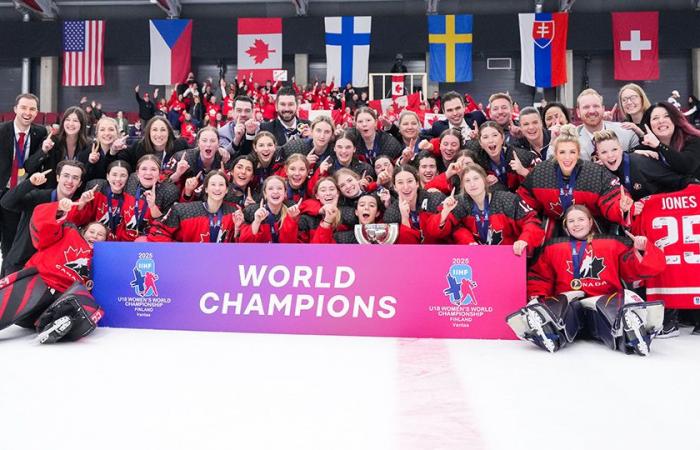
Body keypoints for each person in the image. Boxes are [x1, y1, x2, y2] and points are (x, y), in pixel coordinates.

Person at [506, 204, 666, 356]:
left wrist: (642, 249)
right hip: (569, 302)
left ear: (590, 222)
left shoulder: (613, 243)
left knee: (612, 312)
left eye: (581, 219)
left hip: (603, 301)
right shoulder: (553, 246)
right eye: (571, 221)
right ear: (565, 225)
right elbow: (541, 276)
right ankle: (547, 329)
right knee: (558, 306)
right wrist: (537, 296)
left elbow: (640, 269)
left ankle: (630, 333)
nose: (576, 224)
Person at [0, 199, 107, 344]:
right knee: (18, 290)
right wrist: (58, 209)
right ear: (83, 231)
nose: (95, 235)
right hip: (36, 287)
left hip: (57, 303)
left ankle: (53, 327)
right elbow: (42, 225)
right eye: (92, 231)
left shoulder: (102, 257)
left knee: (90, 305)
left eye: (100, 234)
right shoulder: (67, 233)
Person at [517, 124, 630, 237]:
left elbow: (612, 200)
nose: (567, 157)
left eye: (572, 152)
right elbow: (524, 203)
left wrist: (620, 207)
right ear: (555, 154)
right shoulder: (541, 172)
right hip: (554, 229)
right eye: (562, 152)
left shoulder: (595, 172)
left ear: (578, 153)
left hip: (590, 227)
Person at [0, 160, 85, 275]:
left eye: (75, 178)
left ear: (79, 183)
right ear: (58, 178)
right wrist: (30, 183)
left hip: (49, 271)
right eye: (66, 176)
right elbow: (6, 202)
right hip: (20, 265)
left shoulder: (78, 206)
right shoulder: (38, 197)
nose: (70, 181)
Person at [449, 164, 544, 254]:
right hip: (477, 260)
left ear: (485, 180)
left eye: (476, 178)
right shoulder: (460, 203)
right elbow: (455, 227)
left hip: (509, 258)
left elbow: (532, 220)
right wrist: (467, 241)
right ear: (463, 186)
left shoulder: (507, 199)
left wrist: (524, 240)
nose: (472, 184)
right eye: (467, 181)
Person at [0, 93, 48, 267]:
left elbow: (29, 165)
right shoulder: (2, 130)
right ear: (15, 109)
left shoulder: (40, 132)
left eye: (32, 109)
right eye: (24, 108)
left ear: (37, 112)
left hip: (19, 194)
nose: (28, 112)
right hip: (2, 188)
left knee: (11, 245)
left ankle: (6, 284)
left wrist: (42, 151)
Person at [593, 129, 692, 200]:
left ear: (621, 149)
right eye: (604, 152)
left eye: (614, 149)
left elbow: (680, 180)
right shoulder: (600, 172)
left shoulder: (640, 162)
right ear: (598, 155)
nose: (610, 155)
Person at [149, 171, 242, 243]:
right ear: (206, 189)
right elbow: (157, 232)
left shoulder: (234, 212)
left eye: (221, 185)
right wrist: (179, 251)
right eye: (213, 184)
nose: (217, 188)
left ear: (226, 190)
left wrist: (237, 230)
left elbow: (241, 246)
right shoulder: (183, 210)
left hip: (219, 263)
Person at [382, 165, 451, 244]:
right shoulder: (391, 214)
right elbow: (405, 249)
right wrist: (405, 219)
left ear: (417, 183)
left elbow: (447, 235)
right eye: (400, 182)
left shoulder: (436, 199)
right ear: (395, 187)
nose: (406, 187)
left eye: (410, 181)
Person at [120, 155, 179, 241]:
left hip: (150, 243)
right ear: (137, 173)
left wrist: (152, 206)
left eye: (153, 169)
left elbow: (166, 225)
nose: (148, 173)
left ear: (159, 174)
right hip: (124, 241)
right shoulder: (131, 180)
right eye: (144, 169)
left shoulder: (170, 191)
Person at [637, 101, 700, 180]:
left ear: (675, 120)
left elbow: (686, 166)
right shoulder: (649, 145)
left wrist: (659, 145)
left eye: (666, 116)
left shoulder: (694, 139)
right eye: (655, 118)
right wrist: (635, 153)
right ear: (649, 125)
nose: (661, 121)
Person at [26, 106, 89, 183]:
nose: (71, 123)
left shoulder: (88, 145)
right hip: (52, 190)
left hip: (77, 190)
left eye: (75, 121)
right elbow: (28, 167)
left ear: (82, 124)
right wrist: (43, 151)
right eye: (67, 120)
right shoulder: (51, 141)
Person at [575, 88, 639, 161]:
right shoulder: (571, 139)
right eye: (586, 107)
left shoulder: (627, 133)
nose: (592, 111)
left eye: (596, 106)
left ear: (603, 109)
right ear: (578, 112)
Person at [106, 116, 188, 172]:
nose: (158, 134)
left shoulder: (180, 146)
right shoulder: (137, 147)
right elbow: (117, 165)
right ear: (148, 133)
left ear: (169, 132)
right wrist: (113, 151)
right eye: (154, 130)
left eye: (163, 130)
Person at [239, 175, 302, 243]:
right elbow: (244, 243)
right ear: (265, 193)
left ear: (285, 193)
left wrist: (291, 219)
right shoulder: (251, 211)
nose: (275, 191)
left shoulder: (292, 212)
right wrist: (256, 222)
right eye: (270, 188)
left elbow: (289, 245)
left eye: (279, 188)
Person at [476, 121, 533, 191]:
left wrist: (523, 171)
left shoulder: (522, 156)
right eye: (485, 137)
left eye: (495, 135)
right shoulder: (478, 162)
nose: (490, 140)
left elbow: (541, 181)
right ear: (480, 143)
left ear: (502, 138)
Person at [421, 91, 486, 143]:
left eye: (458, 108)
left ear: (464, 107)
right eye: (450, 110)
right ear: (444, 112)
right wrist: (440, 141)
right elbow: (421, 134)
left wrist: (480, 138)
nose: (455, 113)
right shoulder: (438, 127)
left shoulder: (477, 117)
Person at [79, 116, 125, 182]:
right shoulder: (86, 152)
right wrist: (90, 163)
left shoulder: (125, 152)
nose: (106, 133)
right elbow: (82, 180)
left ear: (117, 133)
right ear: (97, 134)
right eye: (102, 130)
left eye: (111, 129)